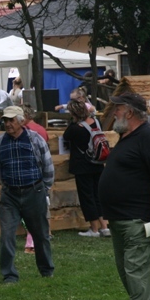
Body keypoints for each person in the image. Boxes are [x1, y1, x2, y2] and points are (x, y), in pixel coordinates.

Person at [98, 92, 150, 300]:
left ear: (129, 112)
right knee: (130, 269)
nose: (113, 113)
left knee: (136, 268)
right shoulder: (128, 137)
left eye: (117, 109)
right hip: (119, 218)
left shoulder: (148, 137)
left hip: (139, 218)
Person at [0, 106, 55, 283]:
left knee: (40, 234)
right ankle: (9, 275)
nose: (8, 124)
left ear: (21, 121)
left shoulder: (35, 140)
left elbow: (48, 166)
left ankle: (46, 270)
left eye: (11, 120)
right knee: (7, 235)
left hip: (34, 191)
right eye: (5, 120)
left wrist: (44, 189)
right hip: (10, 195)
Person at [63, 99, 110, 238]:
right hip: (98, 163)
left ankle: (94, 229)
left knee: (87, 196)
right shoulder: (96, 123)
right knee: (97, 195)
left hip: (82, 166)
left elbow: (66, 137)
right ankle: (104, 226)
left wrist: (73, 121)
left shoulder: (75, 128)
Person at [22, 103, 50, 253]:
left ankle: (31, 243)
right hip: (42, 172)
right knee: (43, 206)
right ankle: (46, 233)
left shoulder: (25, 131)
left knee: (30, 211)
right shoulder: (42, 130)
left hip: (29, 173)